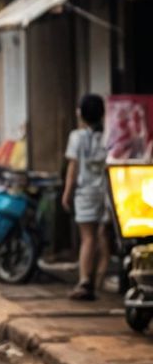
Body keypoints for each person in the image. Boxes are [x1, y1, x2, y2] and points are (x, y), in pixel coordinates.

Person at [62, 93, 110, 301]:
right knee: (104, 235)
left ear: (81, 113)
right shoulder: (110, 135)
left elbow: (73, 169)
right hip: (109, 192)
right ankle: (101, 278)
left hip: (86, 193)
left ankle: (85, 281)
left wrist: (66, 193)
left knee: (88, 237)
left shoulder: (77, 137)